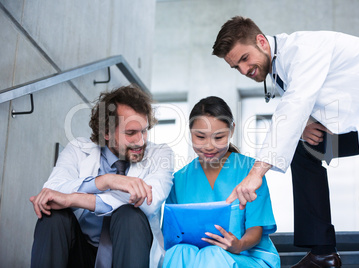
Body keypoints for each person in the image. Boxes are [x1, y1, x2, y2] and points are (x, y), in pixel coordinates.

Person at [212, 16, 359, 267]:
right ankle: (323, 252)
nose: (245, 70)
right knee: (305, 148)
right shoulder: (279, 67)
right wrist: (307, 123)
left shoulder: (302, 50)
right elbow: (312, 99)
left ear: (261, 41)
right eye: (236, 67)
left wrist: (257, 172)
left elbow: (295, 104)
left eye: (245, 59)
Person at [29, 84, 174, 268]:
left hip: (129, 253)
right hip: (81, 254)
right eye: (130, 133)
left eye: (144, 130)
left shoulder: (160, 154)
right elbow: (52, 191)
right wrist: (106, 181)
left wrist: (73, 199)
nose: (141, 141)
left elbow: (148, 201)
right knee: (53, 216)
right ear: (106, 132)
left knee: (130, 215)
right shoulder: (78, 149)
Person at [162, 96, 280, 268]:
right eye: (200, 137)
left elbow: (256, 229)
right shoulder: (179, 179)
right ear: (190, 132)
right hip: (196, 257)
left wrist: (238, 245)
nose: (209, 146)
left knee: (213, 254)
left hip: (246, 256)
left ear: (231, 130)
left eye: (219, 137)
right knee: (178, 252)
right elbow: (172, 235)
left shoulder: (250, 171)